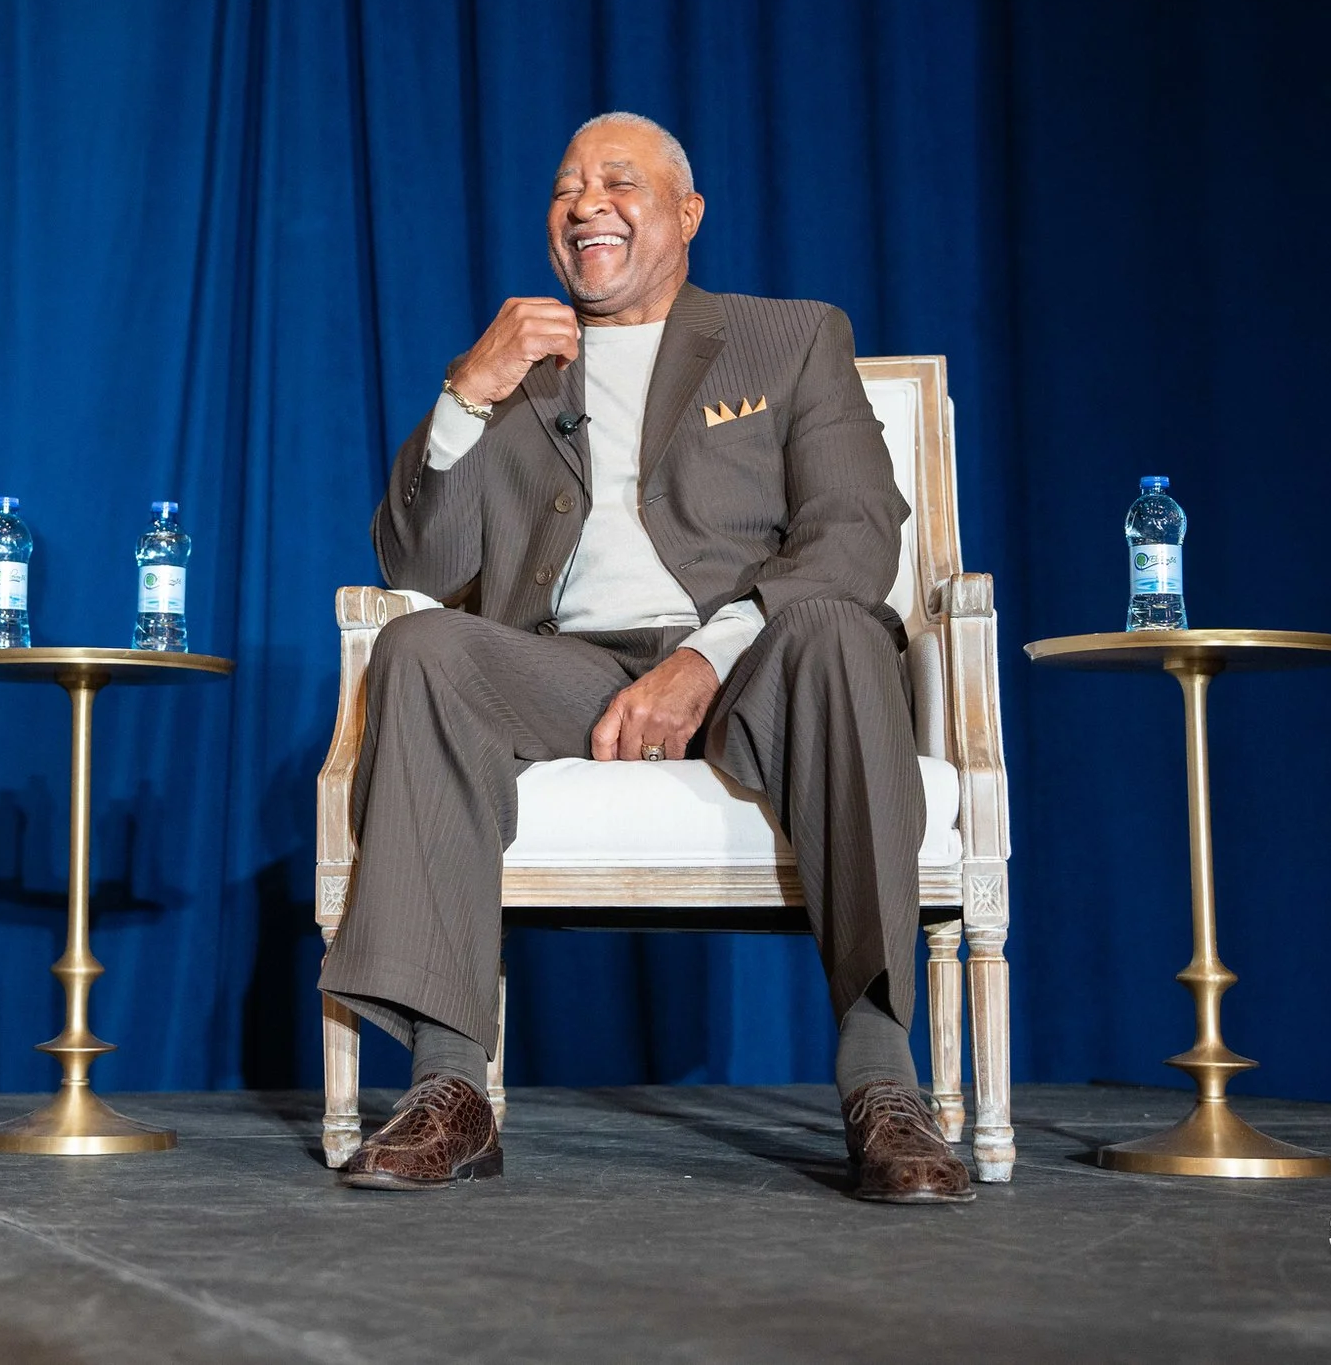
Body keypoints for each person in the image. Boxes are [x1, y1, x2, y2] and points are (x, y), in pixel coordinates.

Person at [318, 113, 973, 1203]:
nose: (585, 202)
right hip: (569, 664)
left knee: (841, 627)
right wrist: (466, 392)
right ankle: (449, 1085)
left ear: (686, 212)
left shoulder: (790, 336)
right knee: (421, 643)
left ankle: (882, 1080)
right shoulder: (517, 366)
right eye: (566, 186)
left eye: (617, 180)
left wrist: (710, 654)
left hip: (758, 654)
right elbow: (419, 558)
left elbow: (856, 528)